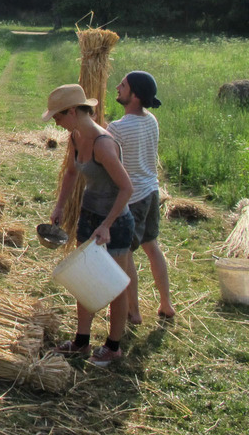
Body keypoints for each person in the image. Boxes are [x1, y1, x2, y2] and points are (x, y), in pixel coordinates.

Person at [43, 84, 135, 367]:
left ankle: (113, 346)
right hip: (89, 216)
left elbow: (126, 188)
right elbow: (71, 172)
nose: (56, 122)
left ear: (72, 111)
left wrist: (107, 225)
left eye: (58, 116)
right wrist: (60, 206)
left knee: (115, 285)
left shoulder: (102, 144)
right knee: (85, 278)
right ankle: (81, 341)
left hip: (115, 222)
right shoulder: (75, 136)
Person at [108, 71, 175, 324]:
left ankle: (133, 312)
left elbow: (108, 155)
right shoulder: (152, 120)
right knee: (152, 246)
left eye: (122, 85)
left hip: (132, 199)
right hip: (152, 191)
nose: (117, 87)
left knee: (125, 255)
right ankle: (166, 304)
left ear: (134, 95)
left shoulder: (118, 128)